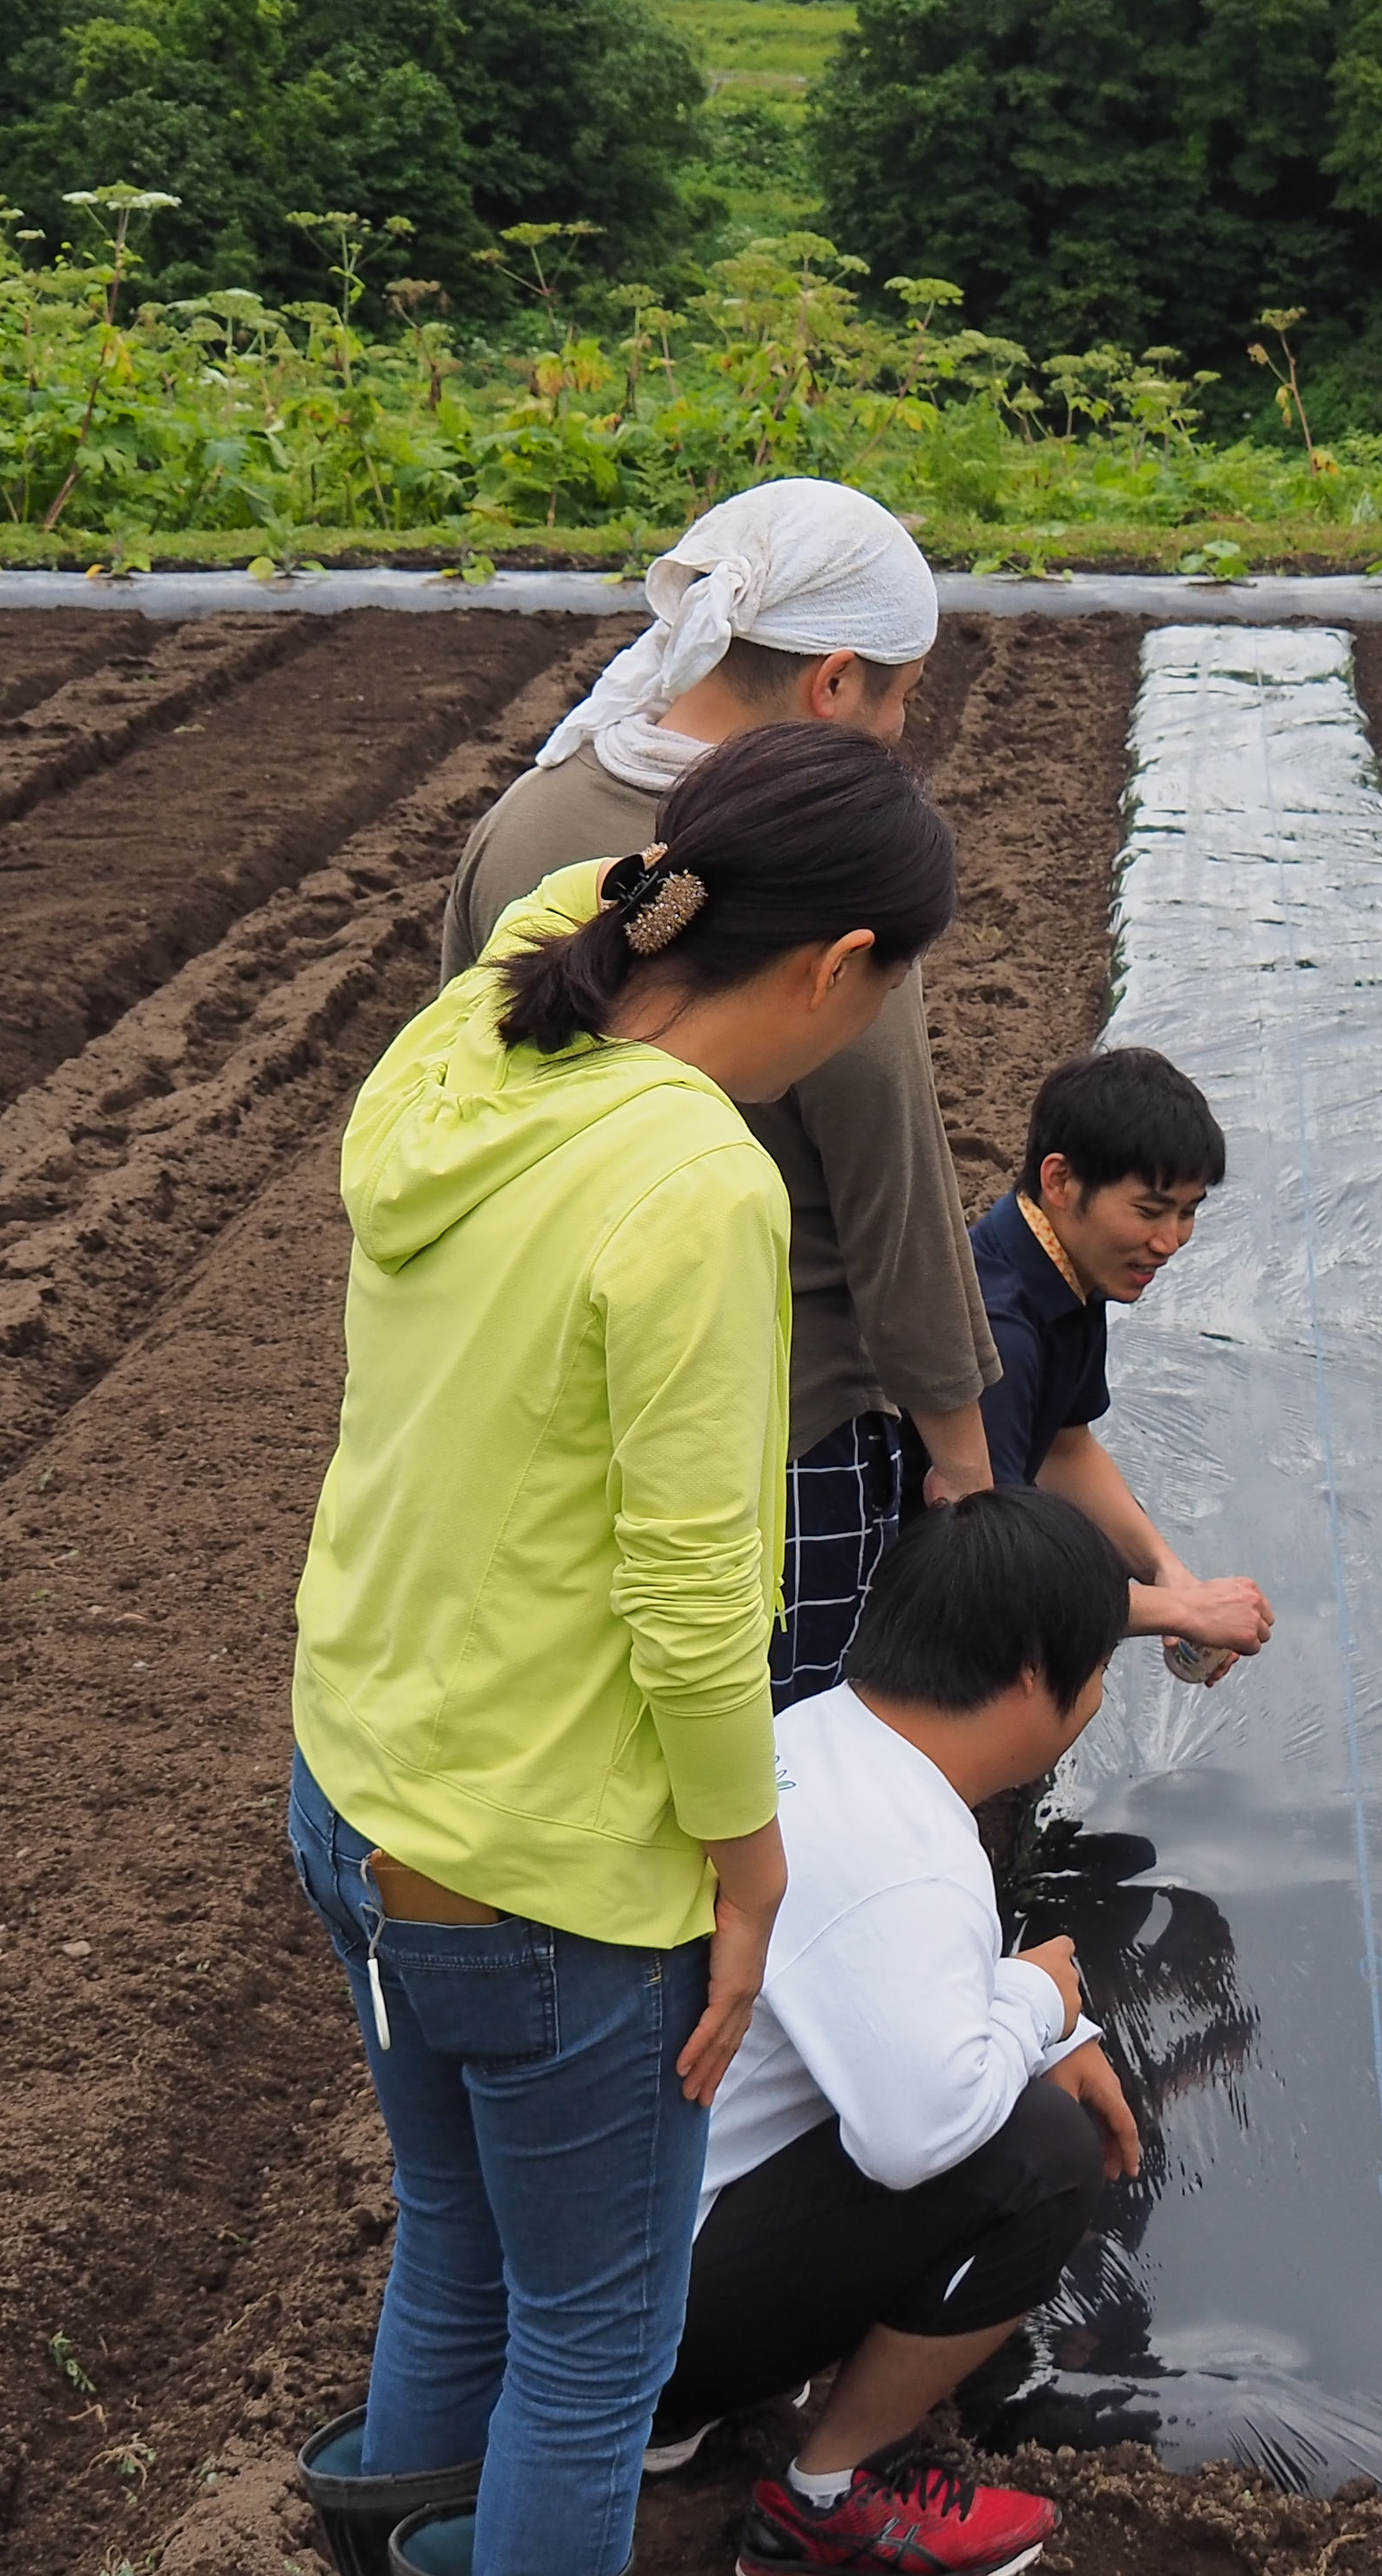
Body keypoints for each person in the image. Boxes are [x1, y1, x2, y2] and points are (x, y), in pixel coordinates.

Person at [287, 721, 961, 2576]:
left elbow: (582, 899)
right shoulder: (693, 1181)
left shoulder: (474, 1032)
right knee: (593, 2317)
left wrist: (659, 842)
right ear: (844, 963)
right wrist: (744, 1864)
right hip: (544, 1856)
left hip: (366, 1784)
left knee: (457, 2245)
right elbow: (695, 1601)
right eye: (887, 995)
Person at [442, 476, 1004, 1711]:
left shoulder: (531, 816)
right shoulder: (823, 870)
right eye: (903, 696)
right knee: (763, 1764)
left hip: (543, 1411)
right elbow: (890, 1181)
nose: (902, 730)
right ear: (834, 681)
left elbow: (463, 1080)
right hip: (774, 1426)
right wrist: (961, 1452)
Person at [641, 1484, 1147, 2576]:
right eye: (1100, 1667)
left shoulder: (818, 1737)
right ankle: (828, 2502)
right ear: (1031, 1675)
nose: (1103, 1694)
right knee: (1041, 2153)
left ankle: (670, 2415)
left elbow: (891, 1970)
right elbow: (922, 2135)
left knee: (1001, 2089)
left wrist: (1028, 2010)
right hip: (648, 2319)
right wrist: (1035, 2007)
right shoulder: (911, 1854)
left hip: (606, 2254)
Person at [973, 1047, 1275, 1672]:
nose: (1169, 1242)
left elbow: (1063, 1448)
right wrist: (1177, 1613)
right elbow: (988, 1572)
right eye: (1149, 1210)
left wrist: (1168, 1573)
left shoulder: (1073, 1271)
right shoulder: (998, 1328)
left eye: (1188, 1212)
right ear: (1060, 1181)